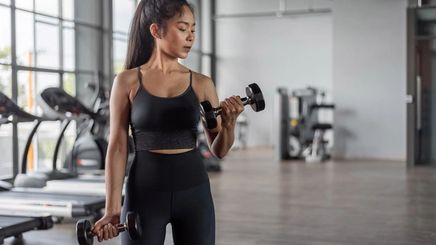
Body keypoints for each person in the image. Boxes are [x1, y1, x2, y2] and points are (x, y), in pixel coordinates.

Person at [92, 0, 244, 244]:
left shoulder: (202, 84)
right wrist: (112, 209)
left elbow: (220, 150)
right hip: (144, 195)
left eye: (193, 29)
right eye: (183, 28)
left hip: (195, 194)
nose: (190, 37)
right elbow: (118, 147)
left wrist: (230, 123)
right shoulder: (127, 82)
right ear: (156, 31)